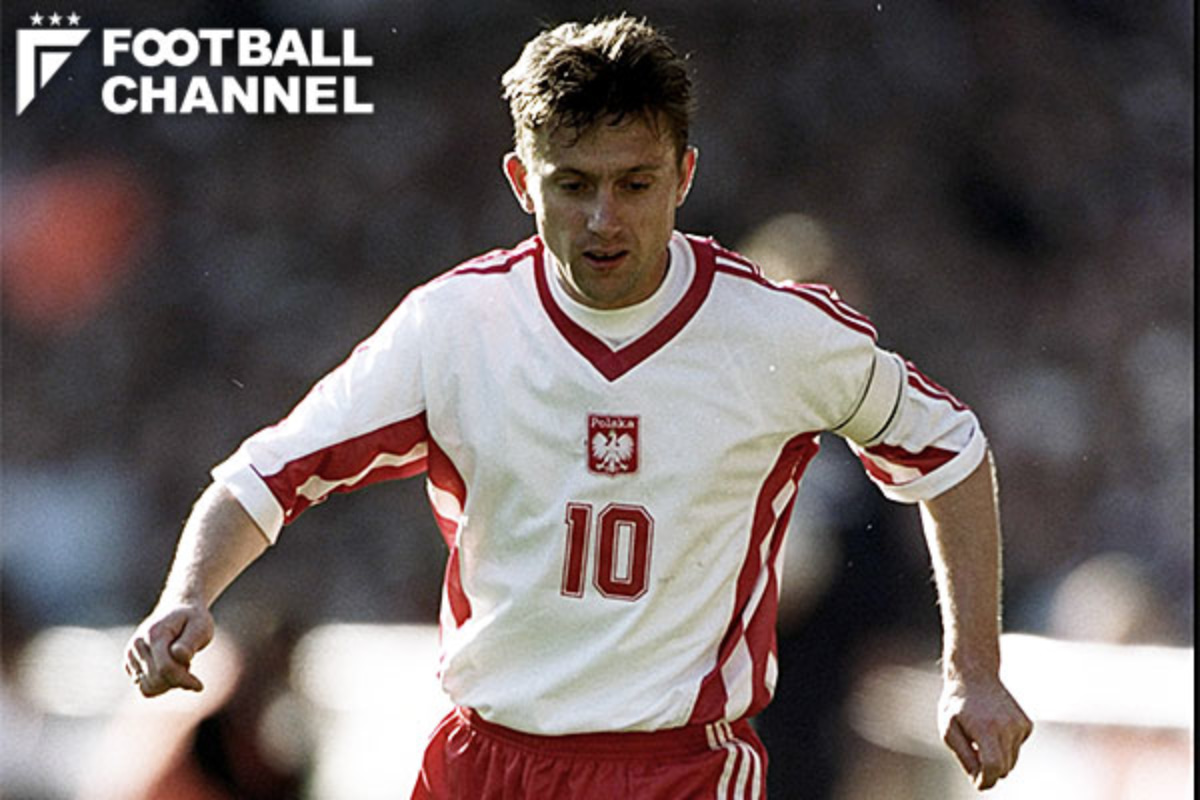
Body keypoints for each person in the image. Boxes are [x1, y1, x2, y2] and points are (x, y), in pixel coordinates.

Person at [124, 14, 1032, 798]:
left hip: (677, 769)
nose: (604, 218)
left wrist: (974, 671)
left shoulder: (774, 331)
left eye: (634, 183)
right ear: (523, 181)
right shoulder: (455, 327)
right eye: (573, 184)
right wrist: (186, 595)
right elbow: (268, 474)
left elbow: (950, 451)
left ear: (683, 175)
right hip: (485, 761)